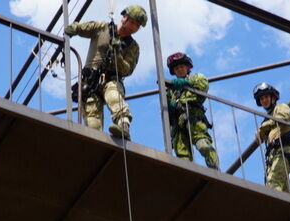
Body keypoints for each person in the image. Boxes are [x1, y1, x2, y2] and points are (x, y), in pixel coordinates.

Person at [64, 5, 146, 140]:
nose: (134, 27)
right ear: (124, 17)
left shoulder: (133, 47)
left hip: (111, 80)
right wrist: (73, 29)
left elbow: (127, 70)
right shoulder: (102, 28)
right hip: (90, 84)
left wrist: (117, 54)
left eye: (137, 25)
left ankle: (123, 127)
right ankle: (95, 143)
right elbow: (81, 28)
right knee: (92, 123)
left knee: (114, 96)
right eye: (132, 22)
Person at [165, 52, 219, 169]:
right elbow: (166, 112)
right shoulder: (171, 90)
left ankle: (214, 169)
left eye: (182, 67)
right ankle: (187, 175)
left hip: (194, 120)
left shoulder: (196, 78)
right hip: (178, 126)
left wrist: (186, 83)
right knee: (183, 158)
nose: (179, 70)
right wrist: (170, 105)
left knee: (203, 145)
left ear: (188, 67)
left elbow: (203, 86)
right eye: (176, 68)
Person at [253, 82, 290, 193]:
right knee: (284, 192)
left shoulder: (280, 107)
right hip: (272, 156)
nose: (264, 100)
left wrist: (263, 127)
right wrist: (261, 131)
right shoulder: (266, 120)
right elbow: (259, 138)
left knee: (273, 181)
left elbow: (282, 117)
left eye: (266, 97)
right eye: (261, 99)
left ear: (273, 98)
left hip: (283, 151)